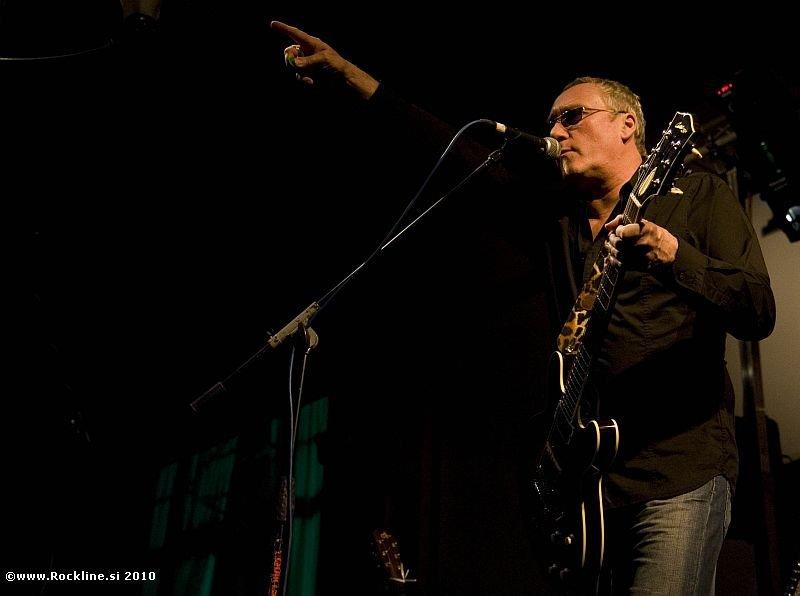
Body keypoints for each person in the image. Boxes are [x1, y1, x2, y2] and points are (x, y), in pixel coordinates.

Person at [270, 20, 776, 595]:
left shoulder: (699, 194)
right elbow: (455, 153)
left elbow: (757, 308)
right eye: (553, 120)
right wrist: (350, 78)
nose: (555, 130)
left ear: (627, 124)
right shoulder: (556, 220)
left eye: (572, 116)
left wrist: (673, 253)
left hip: (678, 471)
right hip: (588, 492)